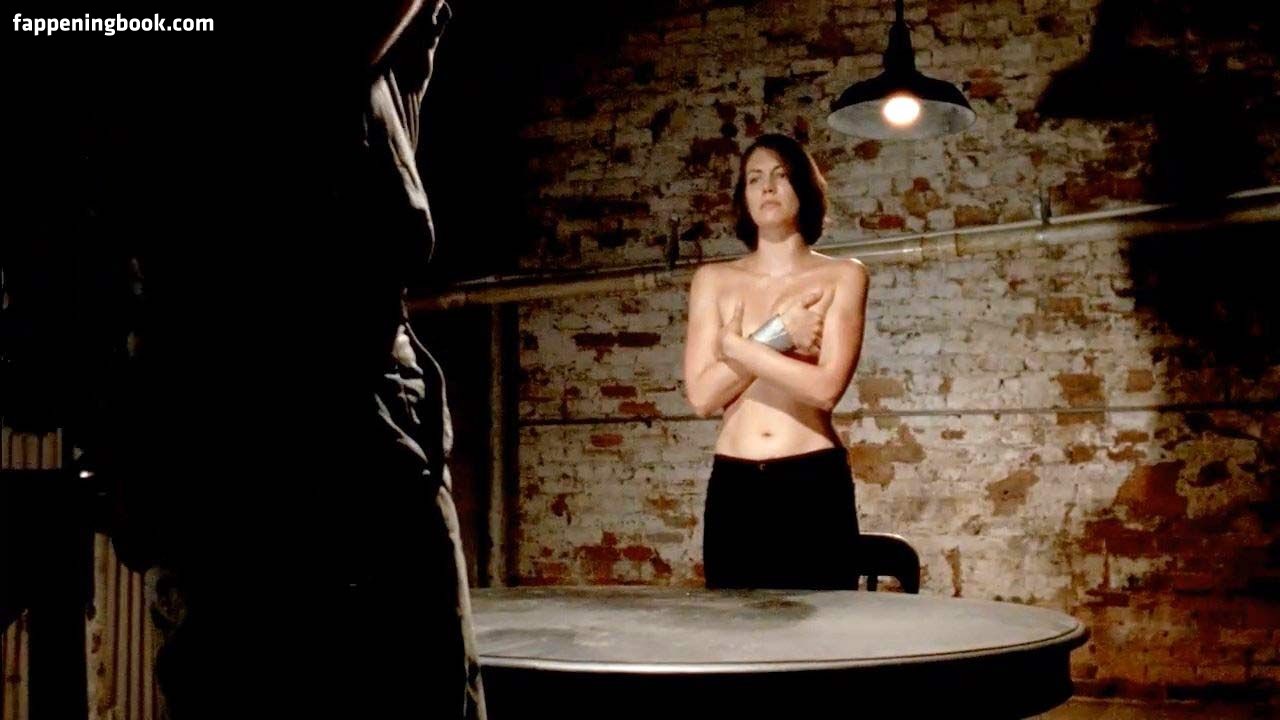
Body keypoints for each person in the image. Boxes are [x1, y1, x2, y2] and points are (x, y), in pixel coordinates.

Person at [682, 133, 870, 590]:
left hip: (811, 478)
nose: (766, 187)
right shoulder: (713, 280)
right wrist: (778, 334)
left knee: (821, 625)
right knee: (734, 626)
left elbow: (825, 389)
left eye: (780, 176)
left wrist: (739, 347)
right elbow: (702, 397)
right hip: (735, 484)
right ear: (743, 196)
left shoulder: (842, 275)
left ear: (803, 188)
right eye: (754, 179)